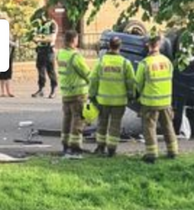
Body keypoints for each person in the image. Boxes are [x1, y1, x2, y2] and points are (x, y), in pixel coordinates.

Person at [136, 31, 178, 164]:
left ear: (148, 45)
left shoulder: (145, 63)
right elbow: (170, 78)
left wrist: (139, 95)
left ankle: (151, 154)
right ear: (159, 45)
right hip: (165, 101)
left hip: (150, 102)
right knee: (168, 126)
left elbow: (138, 83)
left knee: (149, 128)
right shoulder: (167, 62)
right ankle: (173, 151)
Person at [89, 37, 135, 157]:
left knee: (102, 123)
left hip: (103, 100)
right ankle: (111, 149)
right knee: (115, 125)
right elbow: (131, 82)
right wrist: (131, 95)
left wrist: (92, 95)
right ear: (120, 47)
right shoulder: (125, 63)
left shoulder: (101, 61)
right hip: (119, 102)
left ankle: (100, 147)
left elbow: (93, 79)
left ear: (109, 46)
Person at [57, 30, 91, 158]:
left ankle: (65, 144)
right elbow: (86, 73)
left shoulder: (60, 54)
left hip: (66, 93)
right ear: (74, 40)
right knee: (78, 120)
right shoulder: (75, 56)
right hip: (78, 93)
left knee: (67, 119)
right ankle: (75, 147)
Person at [32, 9, 58, 99]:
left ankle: (53, 89)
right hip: (40, 50)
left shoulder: (52, 24)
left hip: (49, 51)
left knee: (50, 70)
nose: (40, 19)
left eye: (41, 16)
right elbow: (35, 35)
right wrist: (35, 39)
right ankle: (41, 89)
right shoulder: (40, 25)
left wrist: (39, 39)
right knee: (40, 71)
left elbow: (52, 38)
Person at [0, 12, 17, 97]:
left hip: (8, 52)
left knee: (6, 72)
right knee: (5, 72)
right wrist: (14, 44)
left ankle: (5, 91)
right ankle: (5, 91)